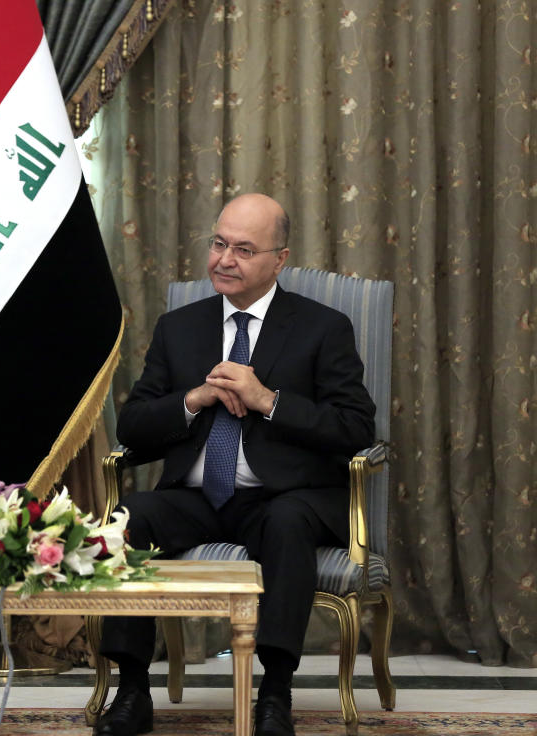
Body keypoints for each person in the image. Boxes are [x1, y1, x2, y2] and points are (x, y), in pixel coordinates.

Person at [95, 193, 376, 736]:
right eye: (219, 244)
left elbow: (355, 429)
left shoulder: (322, 327)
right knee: (130, 517)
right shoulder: (179, 327)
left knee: (288, 521)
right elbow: (133, 428)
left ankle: (274, 693)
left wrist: (268, 399)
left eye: (244, 250)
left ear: (279, 259)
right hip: (198, 497)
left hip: (282, 497)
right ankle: (132, 691)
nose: (225, 260)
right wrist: (194, 399)